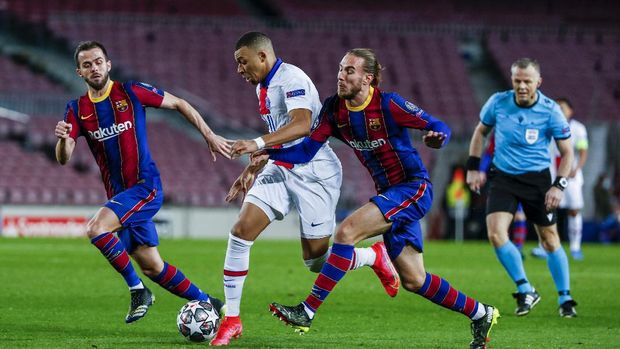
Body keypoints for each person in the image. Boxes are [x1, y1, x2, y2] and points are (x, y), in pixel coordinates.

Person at [263, 48, 499, 349]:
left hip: (414, 188)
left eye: (349, 70)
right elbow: (306, 151)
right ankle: (481, 313)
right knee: (415, 281)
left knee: (346, 232)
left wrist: (437, 138)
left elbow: (440, 126)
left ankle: (307, 310)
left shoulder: (389, 104)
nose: (340, 75)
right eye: (340, 68)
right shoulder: (334, 109)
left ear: (367, 78)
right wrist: (263, 150)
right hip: (390, 196)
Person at [210, 33, 400, 346]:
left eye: (243, 62)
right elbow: (280, 135)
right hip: (281, 168)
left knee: (315, 261)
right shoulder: (263, 86)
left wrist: (255, 144)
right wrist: (252, 168)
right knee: (241, 231)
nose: (239, 69)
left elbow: (302, 125)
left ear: (262, 56)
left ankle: (372, 255)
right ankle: (232, 319)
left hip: (315, 173)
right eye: (237, 64)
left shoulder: (291, 78)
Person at [55, 41, 231, 323]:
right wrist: (64, 139)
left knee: (96, 229)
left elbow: (180, 103)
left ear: (108, 64)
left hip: (145, 187)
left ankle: (138, 291)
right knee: (152, 267)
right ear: (79, 72)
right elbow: (64, 158)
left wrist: (209, 135)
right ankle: (209, 302)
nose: (94, 67)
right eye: (87, 64)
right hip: (121, 196)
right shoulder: (76, 109)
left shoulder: (131, 92)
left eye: (99, 61)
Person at [465, 57, 578, 318]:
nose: (522, 86)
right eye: (517, 80)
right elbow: (480, 132)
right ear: (512, 79)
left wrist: (558, 186)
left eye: (528, 81)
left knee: (549, 240)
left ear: (538, 82)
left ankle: (565, 297)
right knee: (495, 234)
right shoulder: (498, 102)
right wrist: (473, 168)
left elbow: (567, 152)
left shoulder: (550, 110)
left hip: (537, 180)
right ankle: (525, 288)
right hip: (503, 178)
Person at [531, 97, 588, 260]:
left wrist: (577, 168)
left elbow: (583, 150)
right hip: (550, 175)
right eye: (558, 108)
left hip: (571, 176)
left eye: (563, 108)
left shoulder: (578, 129)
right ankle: (543, 246)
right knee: (547, 208)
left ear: (571, 111)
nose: (560, 110)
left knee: (574, 210)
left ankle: (575, 247)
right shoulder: (546, 126)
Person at [480, 132, 528, 258]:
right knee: (501, 216)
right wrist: (481, 171)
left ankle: (517, 248)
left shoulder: (525, 130)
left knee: (519, 215)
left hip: (521, 176)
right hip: (501, 177)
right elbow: (489, 153)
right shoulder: (499, 132)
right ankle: (508, 247)